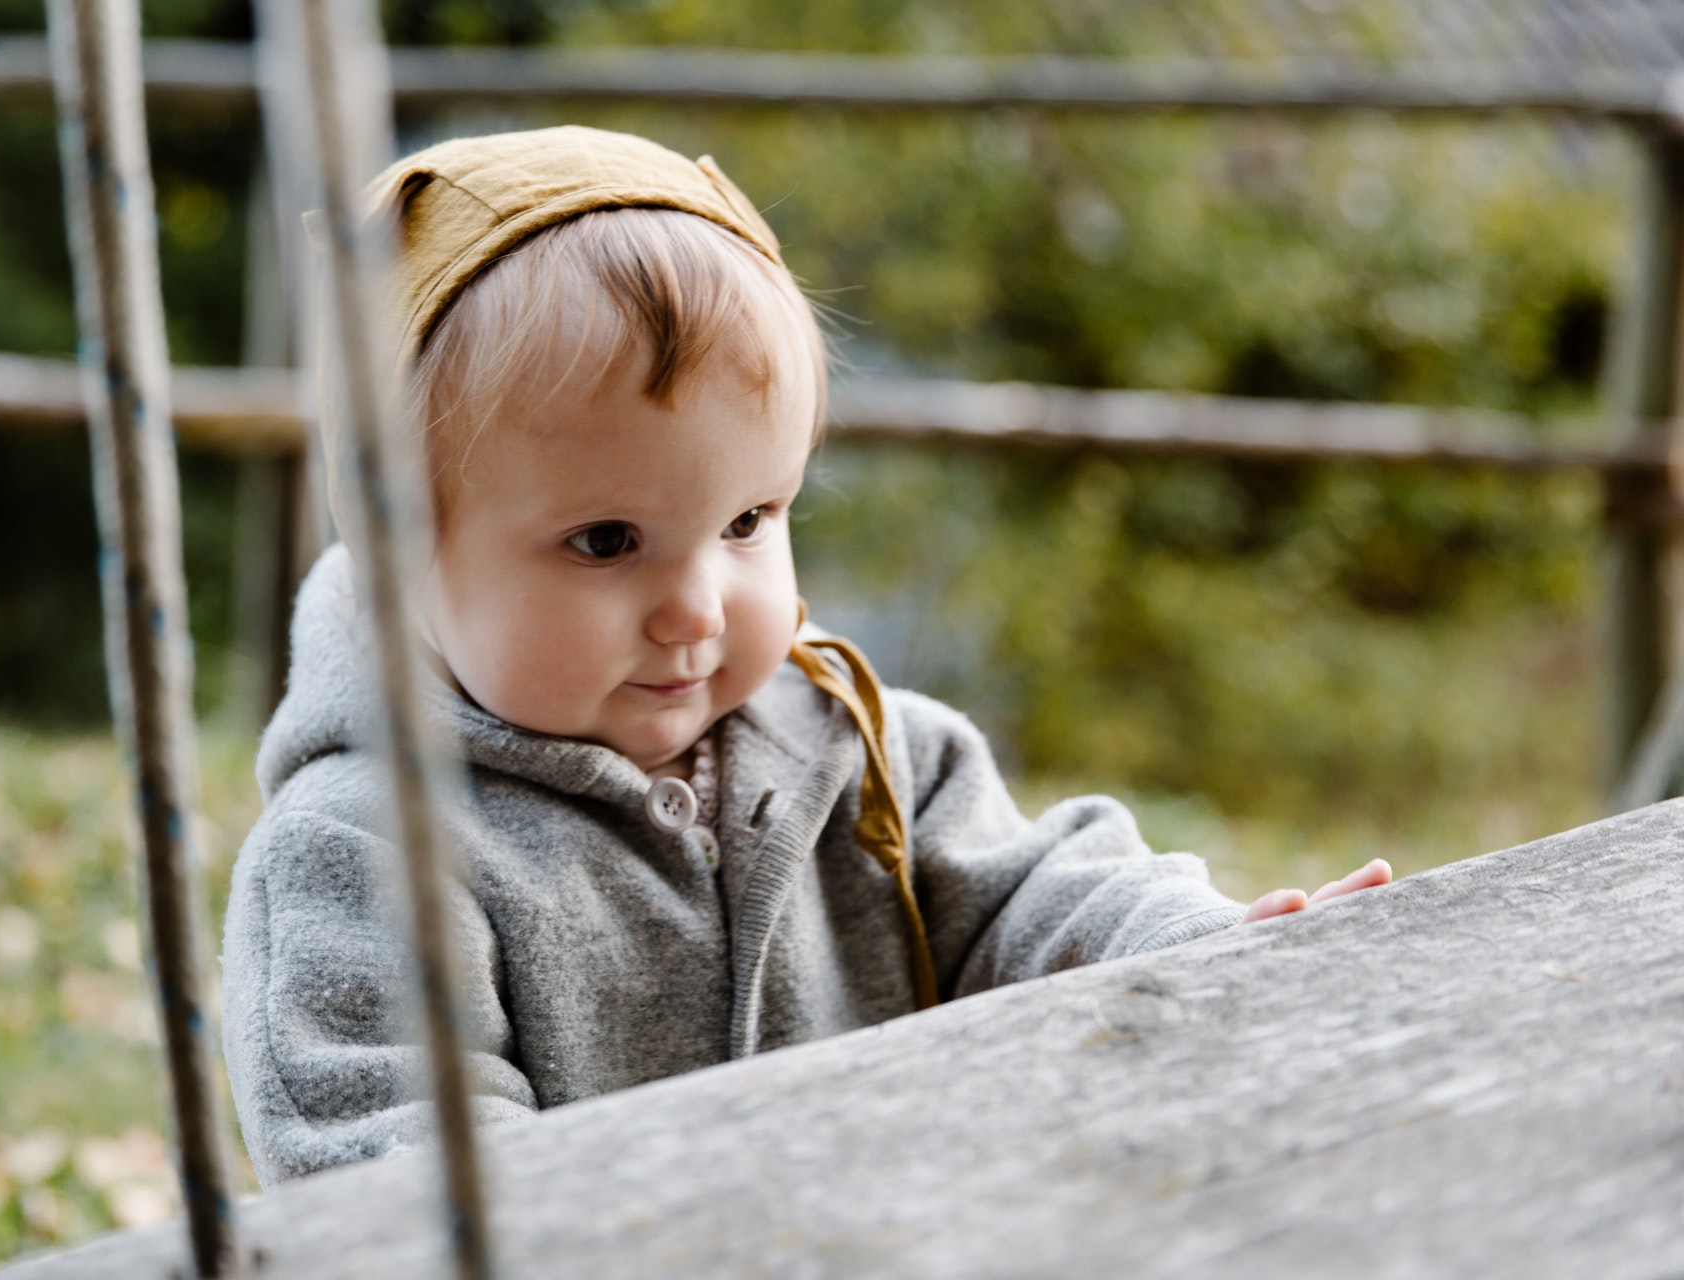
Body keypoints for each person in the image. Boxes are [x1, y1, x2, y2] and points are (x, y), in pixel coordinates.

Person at [220, 125, 1391, 1186]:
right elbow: (395, 1184)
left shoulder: (855, 742)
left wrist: (1199, 946)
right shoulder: (363, 851)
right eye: (605, 540)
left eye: (746, 523)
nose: (696, 607)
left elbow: (1025, 895)